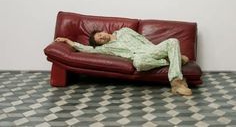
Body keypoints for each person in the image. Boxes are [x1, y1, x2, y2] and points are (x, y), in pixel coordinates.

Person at [55, 27, 192, 96]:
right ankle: (174, 60)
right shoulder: (107, 48)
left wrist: (155, 49)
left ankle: (176, 83)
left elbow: (141, 38)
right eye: (99, 40)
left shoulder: (125, 31)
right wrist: (68, 41)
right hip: (139, 56)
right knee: (138, 63)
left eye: (99, 35)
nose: (101, 37)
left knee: (173, 41)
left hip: (150, 49)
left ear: (103, 31)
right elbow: (88, 49)